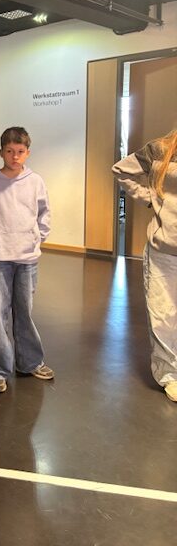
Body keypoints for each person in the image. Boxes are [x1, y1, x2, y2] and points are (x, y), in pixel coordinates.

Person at [0, 126, 53, 393]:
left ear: (27, 152)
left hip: (27, 258)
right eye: (9, 151)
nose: (15, 156)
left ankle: (30, 362)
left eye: (20, 151)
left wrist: (37, 237)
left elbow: (44, 213)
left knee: (24, 311)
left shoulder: (35, 181)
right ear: (1, 152)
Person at [113, 131, 177, 402]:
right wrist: (151, 197)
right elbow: (121, 170)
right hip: (164, 250)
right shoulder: (160, 150)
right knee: (164, 315)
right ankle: (170, 375)